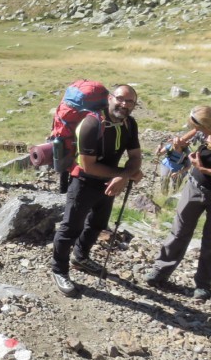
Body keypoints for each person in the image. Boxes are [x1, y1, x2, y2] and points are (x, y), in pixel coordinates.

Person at [144, 105, 211, 300]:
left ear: (210, 124)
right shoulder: (201, 130)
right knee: (179, 231)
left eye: (199, 128)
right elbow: (180, 145)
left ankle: (203, 285)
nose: (196, 131)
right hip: (194, 188)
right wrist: (176, 146)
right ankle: (160, 271)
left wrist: (204, 169)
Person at [51, 84, 143, 297]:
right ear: (110, 98)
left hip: (108, 182)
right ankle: (59, 270)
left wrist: (124, 175)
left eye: (130, 102)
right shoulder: (92, 124)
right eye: (120, 98)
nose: (124, 104)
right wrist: (123, 174)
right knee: (70, 228)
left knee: (98, 224)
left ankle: (80, 257)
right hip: (83, 181)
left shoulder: (130, 124)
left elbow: (136, 157)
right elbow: (88, 165)